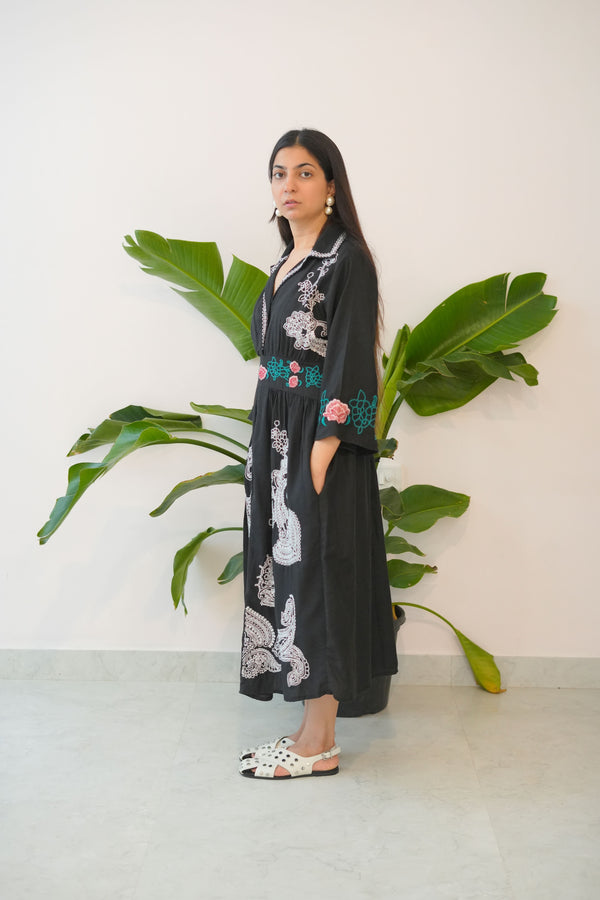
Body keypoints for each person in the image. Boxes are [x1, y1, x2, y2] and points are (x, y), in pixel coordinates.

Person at [239, 129, 398, 780]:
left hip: (315, 442)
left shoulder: (345, 259)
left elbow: (355, 359)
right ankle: (311, 726)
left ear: (331, 185)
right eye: (280, 173)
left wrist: (323, 452)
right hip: (274, 433)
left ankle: (319, 745)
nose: (289, 185)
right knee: (291, 578)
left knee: (321, 577)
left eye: (306, 173)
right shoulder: (285, 262)